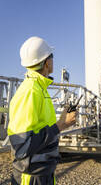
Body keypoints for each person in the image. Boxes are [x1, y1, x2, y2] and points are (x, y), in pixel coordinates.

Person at [8, 36, 76, 185]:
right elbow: (21, 147)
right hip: (31, 176)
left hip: (42, 172)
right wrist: (61, 125)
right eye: (51, 56)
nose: (53, 60)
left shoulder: (39, 89)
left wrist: (61, 122)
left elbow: (40, 129)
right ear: (46, 62)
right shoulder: (30, 91)